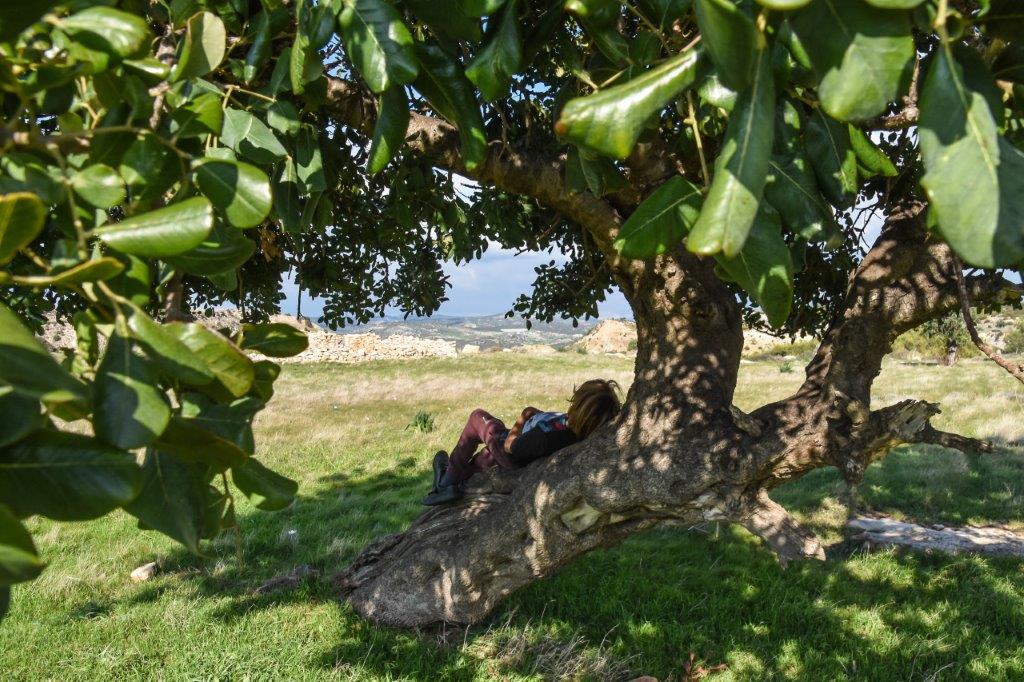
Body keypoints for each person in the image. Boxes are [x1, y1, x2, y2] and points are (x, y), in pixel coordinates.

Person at [422, 379, 622, 505]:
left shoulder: (549, 438)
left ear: (579, 404)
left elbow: (511, 447)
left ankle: (445, 482)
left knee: (478, 418)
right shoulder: (575, 432)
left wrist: (524, 416)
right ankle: (454, 479)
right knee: (484, 459)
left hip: (511, 453)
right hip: (522, 449)